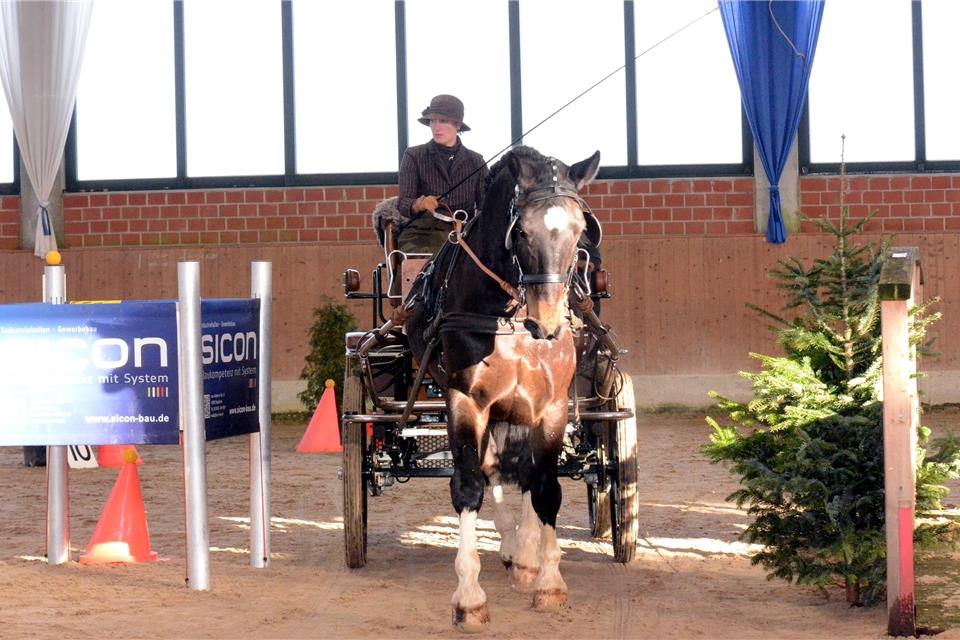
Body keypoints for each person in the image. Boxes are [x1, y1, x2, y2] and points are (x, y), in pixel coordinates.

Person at [396, 94, 488, 254]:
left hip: (465, 233)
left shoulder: (476, 161)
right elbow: (403, 203)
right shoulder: (414, 155)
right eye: (433, 121)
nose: (436, 127)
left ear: (457, 125)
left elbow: (485, 207)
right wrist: (420, 203)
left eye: (443, 121)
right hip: (422, 234)